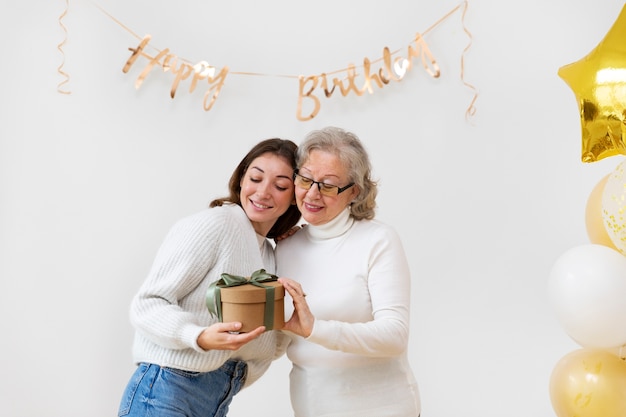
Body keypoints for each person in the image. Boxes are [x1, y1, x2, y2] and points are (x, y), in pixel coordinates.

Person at [117, 138, 301, 417]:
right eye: (255, 178)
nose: (263, 192)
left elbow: (267, 345)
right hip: (169, 390)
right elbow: (147, 303)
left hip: (216, 397)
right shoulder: (215, 225)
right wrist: (198, 336)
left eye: (280, 186)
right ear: (241, 179)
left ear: (294, 196)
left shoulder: (269, 254)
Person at [276, 126, 421, 417]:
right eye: (305, 179)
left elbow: (395, 336)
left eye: (328, 185)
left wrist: (315, 329)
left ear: (354, 191)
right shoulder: (284, 247)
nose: (312, 193)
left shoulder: (378, 240)